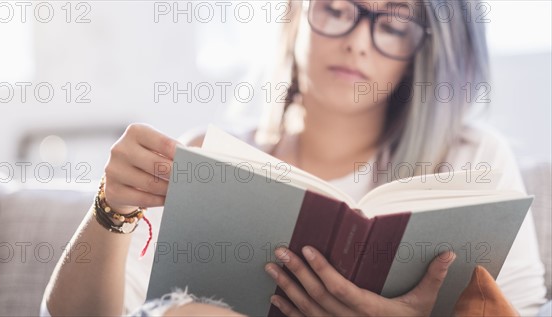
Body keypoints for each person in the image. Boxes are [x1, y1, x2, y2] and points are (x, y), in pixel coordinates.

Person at [41, 0, 548, 316]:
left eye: (392, 23)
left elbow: (521, 310)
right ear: (295, 12)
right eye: (337, 9)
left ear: (424, 50)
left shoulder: (470, 159)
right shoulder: (206, 156)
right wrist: (111, 208)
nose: (355, 42)